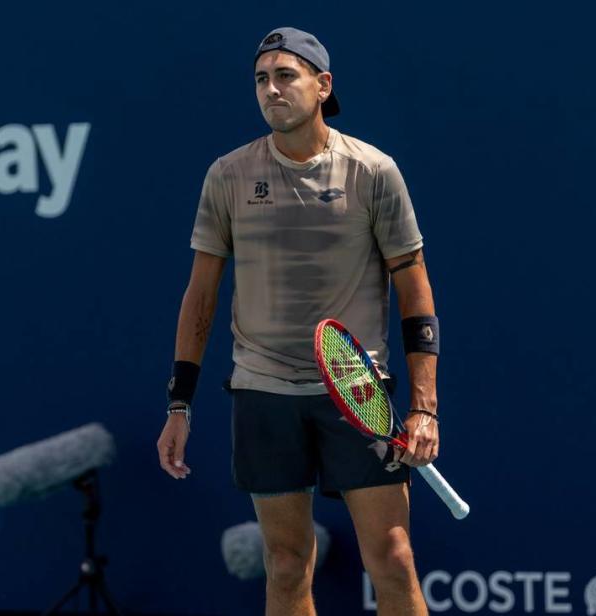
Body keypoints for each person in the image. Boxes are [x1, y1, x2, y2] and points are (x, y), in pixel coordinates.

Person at [157, 26, 441, 616]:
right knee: (286, 564)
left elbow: (415, 291)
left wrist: (423, 407)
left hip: (359, 389)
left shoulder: (373, 171)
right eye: (261, 79)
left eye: (286, 75)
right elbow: (201, 296)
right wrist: (179, 405)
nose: (271, 89)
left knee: (393, 557)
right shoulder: (227, 176)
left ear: (322, 85)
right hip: (263, 392)